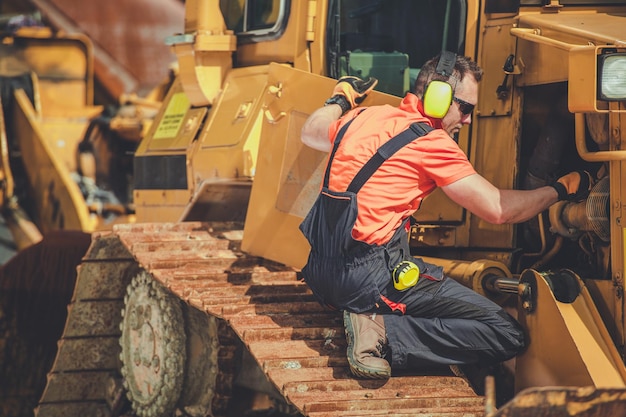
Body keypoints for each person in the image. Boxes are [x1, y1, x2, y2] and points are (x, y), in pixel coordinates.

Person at [298, 52, 592, 381]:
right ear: (439, 98)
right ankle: (378, 331)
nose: (467, 120)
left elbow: (311, 130)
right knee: (506, 333)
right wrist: (561, 189)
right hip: (367, 282)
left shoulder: (364, 116)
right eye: (465, 108)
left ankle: (367, 316)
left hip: (321, 273)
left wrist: (342, 97)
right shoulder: (433, 143)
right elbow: (499, 209)